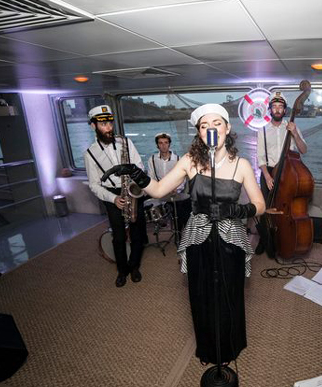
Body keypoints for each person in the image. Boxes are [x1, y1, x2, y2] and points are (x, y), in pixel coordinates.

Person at [101, 104, 266, 365]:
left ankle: (230, 346)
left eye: (217, 123)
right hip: (198, 237)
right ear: (199, 133)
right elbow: (158, 190)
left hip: (231, 238)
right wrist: (137, 174)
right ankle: (208, 349)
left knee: (230, 292)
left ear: (227, 128)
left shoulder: (242, 164)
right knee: (200, 294)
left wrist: (235, 209)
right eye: (204, 126)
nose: (211, 129)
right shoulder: (189, 161)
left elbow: (260, 205)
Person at [84, 104, 147, 288]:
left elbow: (139, 166)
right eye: (103, 124)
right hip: (112, 195)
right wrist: (113, 199)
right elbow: (94, 185)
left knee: (137, 233)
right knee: (118, 237)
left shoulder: (126, 143)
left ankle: (134, 266)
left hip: (131, 189)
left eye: (110, 123)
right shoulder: (90, 154)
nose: (109, 128)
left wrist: (132, 181)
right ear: (93, 126)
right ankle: (122, 270)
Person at [255, 91, 308, 255]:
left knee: (286, 208)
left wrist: (295, 133)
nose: (277, 109)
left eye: (280, 107)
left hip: (288, 173)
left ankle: (283, 237)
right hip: (269, 172)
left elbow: (303, 150)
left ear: (285, 110)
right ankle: (265, 240)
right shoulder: (263, 130)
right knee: (266, 208)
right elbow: (260, 157)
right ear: (270, 110)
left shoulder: (292, 127)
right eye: (274, 106)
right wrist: (267, 176)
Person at [146, 132, 190, 232]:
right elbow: (151, 177)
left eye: (166, 142)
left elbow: (182, 178)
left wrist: (176, 188)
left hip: (175, 192)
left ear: (169, 144)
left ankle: (179, 232)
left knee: (181, 210)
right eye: (160, 143)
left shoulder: (178, 159)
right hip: (159, 192)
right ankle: (162, 223)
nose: (163, 145)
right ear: (157, 145)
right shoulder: (152, 159)